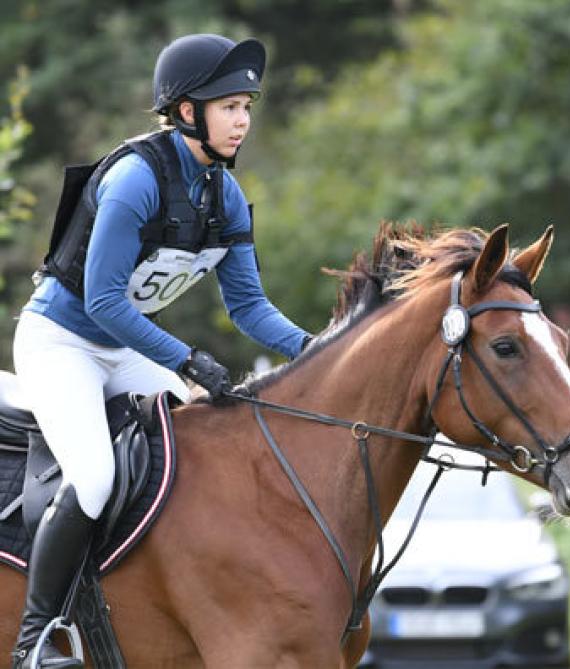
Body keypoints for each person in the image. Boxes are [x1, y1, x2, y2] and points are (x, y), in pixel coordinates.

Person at [11, 34, 311, 668]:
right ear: (184, 112)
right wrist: (185, 360)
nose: (243, 121)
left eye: (247, 107)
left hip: (121, 348)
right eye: (228, 106)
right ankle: (36, 638)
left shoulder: (223, 196)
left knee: (216, 445)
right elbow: (102, 302)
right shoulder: (134, 179)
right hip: (61, 343)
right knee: (93, 476)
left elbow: (250, 309)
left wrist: (320, 351)